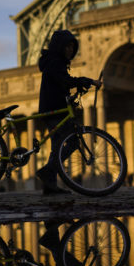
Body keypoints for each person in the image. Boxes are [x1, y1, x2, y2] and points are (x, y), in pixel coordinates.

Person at [36, 30, 100, 195]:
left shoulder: (54, 61)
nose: (71, 50)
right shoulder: (55, 62)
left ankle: (49, 185)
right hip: (54, 109)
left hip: (54, 107)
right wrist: (87, 81)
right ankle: (48, 171)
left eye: (73, 46)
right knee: (71, 142)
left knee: (57, 146)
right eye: (68, 46)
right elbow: (65, 80)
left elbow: (62, 83)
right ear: (60, 46)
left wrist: (76, 87)